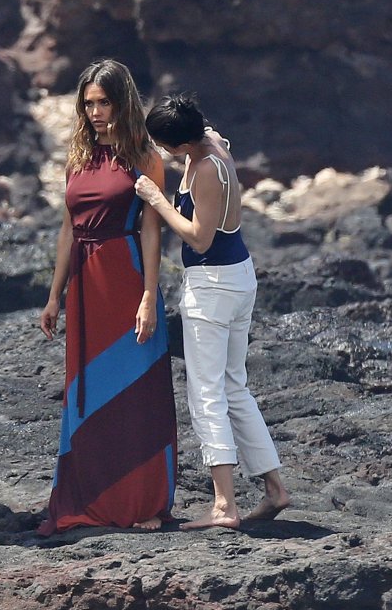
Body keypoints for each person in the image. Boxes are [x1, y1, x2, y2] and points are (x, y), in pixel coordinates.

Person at [135, 93, 289, 529]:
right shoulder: (213, 142)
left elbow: (200, 238)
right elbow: (209, 139)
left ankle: (224, 506)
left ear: (183, 144)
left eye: (165, 146)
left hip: (213, 284)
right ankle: (275, 489)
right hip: (238, 277)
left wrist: (157, 199)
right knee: (234, 387)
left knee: (206, 393)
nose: (164, 153)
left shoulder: (205, 168)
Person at [38, 59, 177, 535]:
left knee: (138, 395)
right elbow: (67, 229)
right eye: (89, 104)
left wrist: (148, 296)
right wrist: (54, 296)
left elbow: (153, 231)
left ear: (123, 103)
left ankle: (145, 503)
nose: (95, 112)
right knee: (90, 393)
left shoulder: (145, 157)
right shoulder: (79, 156)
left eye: (104, 102)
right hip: (85, 287)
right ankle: (92, 497)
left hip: (126, 277)